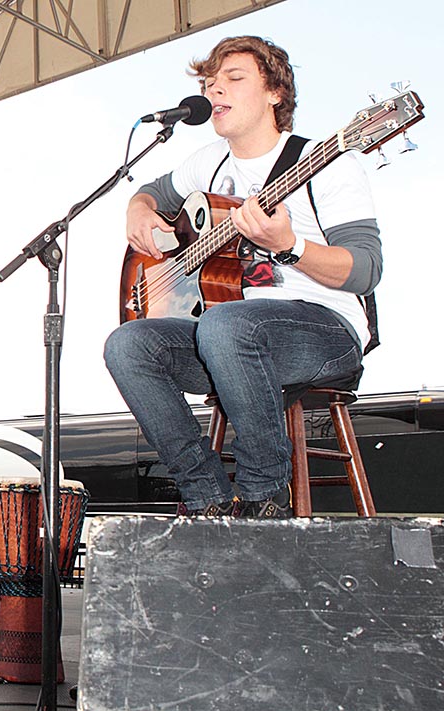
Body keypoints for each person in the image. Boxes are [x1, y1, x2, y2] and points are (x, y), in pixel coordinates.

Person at [103, 36, 381, 518]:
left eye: (233, 80)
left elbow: (365, 270)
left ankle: (263, 496)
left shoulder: (330, 163)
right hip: (228, 339)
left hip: (324, 331)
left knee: (228, 324)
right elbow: (151, 192)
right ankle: (206, 496)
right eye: (210, 84)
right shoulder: (207, 163)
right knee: (128, 344)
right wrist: (138, 208)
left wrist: (289, 247)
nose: (216, 93)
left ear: (275, 92)